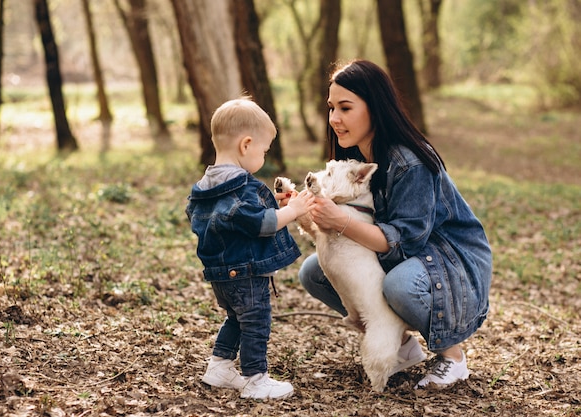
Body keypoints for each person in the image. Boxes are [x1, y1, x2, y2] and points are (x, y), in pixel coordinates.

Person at [279, 60, 492, 389]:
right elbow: (348, 229)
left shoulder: (410, 162)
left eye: (346, 108)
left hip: (451, 265)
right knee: (314, 272)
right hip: (411, 259)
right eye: (332, 108)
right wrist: (303, 207)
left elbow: (404, 242)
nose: (335, 118)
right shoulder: (361, 158)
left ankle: (453, 357)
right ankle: (402, 347)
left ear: (374, 107)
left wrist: (341, 220)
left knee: (399, 285)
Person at [186, 97, 315, 399]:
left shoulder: (206, 185)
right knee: (257, 321)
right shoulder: (241, 188)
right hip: (245, 273)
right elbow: (262, 224)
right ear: (246, 145)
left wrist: (274, 206)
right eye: (264, 150)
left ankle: (219, 366)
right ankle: (255, 378)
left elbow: (233, 219)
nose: (264, 156)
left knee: (236, 318)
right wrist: (294, 210)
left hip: (220, 274)